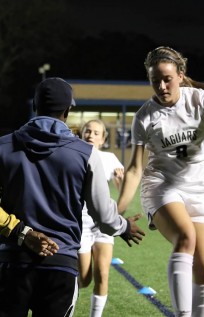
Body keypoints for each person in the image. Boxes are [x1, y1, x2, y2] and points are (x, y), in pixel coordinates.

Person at [0, 77, 145, 317]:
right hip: (60, 265)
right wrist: (124, 227)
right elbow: (104, 216)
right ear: (67, 110)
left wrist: (23, 232)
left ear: (35, 106)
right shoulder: (86, 154)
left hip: (12, 262)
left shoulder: (1, 147)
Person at [116, 47, 204, 317]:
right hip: (161, 186)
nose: (162, 86)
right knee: (186, 237)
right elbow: (135, 168)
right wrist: (117, 212)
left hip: (198, 190)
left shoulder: (200, 99)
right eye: (155, 80)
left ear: (180, 75)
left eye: (167, 79)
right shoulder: (145, 116)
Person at [77, 119, 124, 317]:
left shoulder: (110, 158)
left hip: (102, 223)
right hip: (81, 224)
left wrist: (121, 182)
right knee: (85, 279)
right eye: (88, 131)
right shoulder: (74, 154)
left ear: (103, 139)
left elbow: (123, 189)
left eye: (96, 133)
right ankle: (61, 297)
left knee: (103, 274)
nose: (91, 135)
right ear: (81, 134)